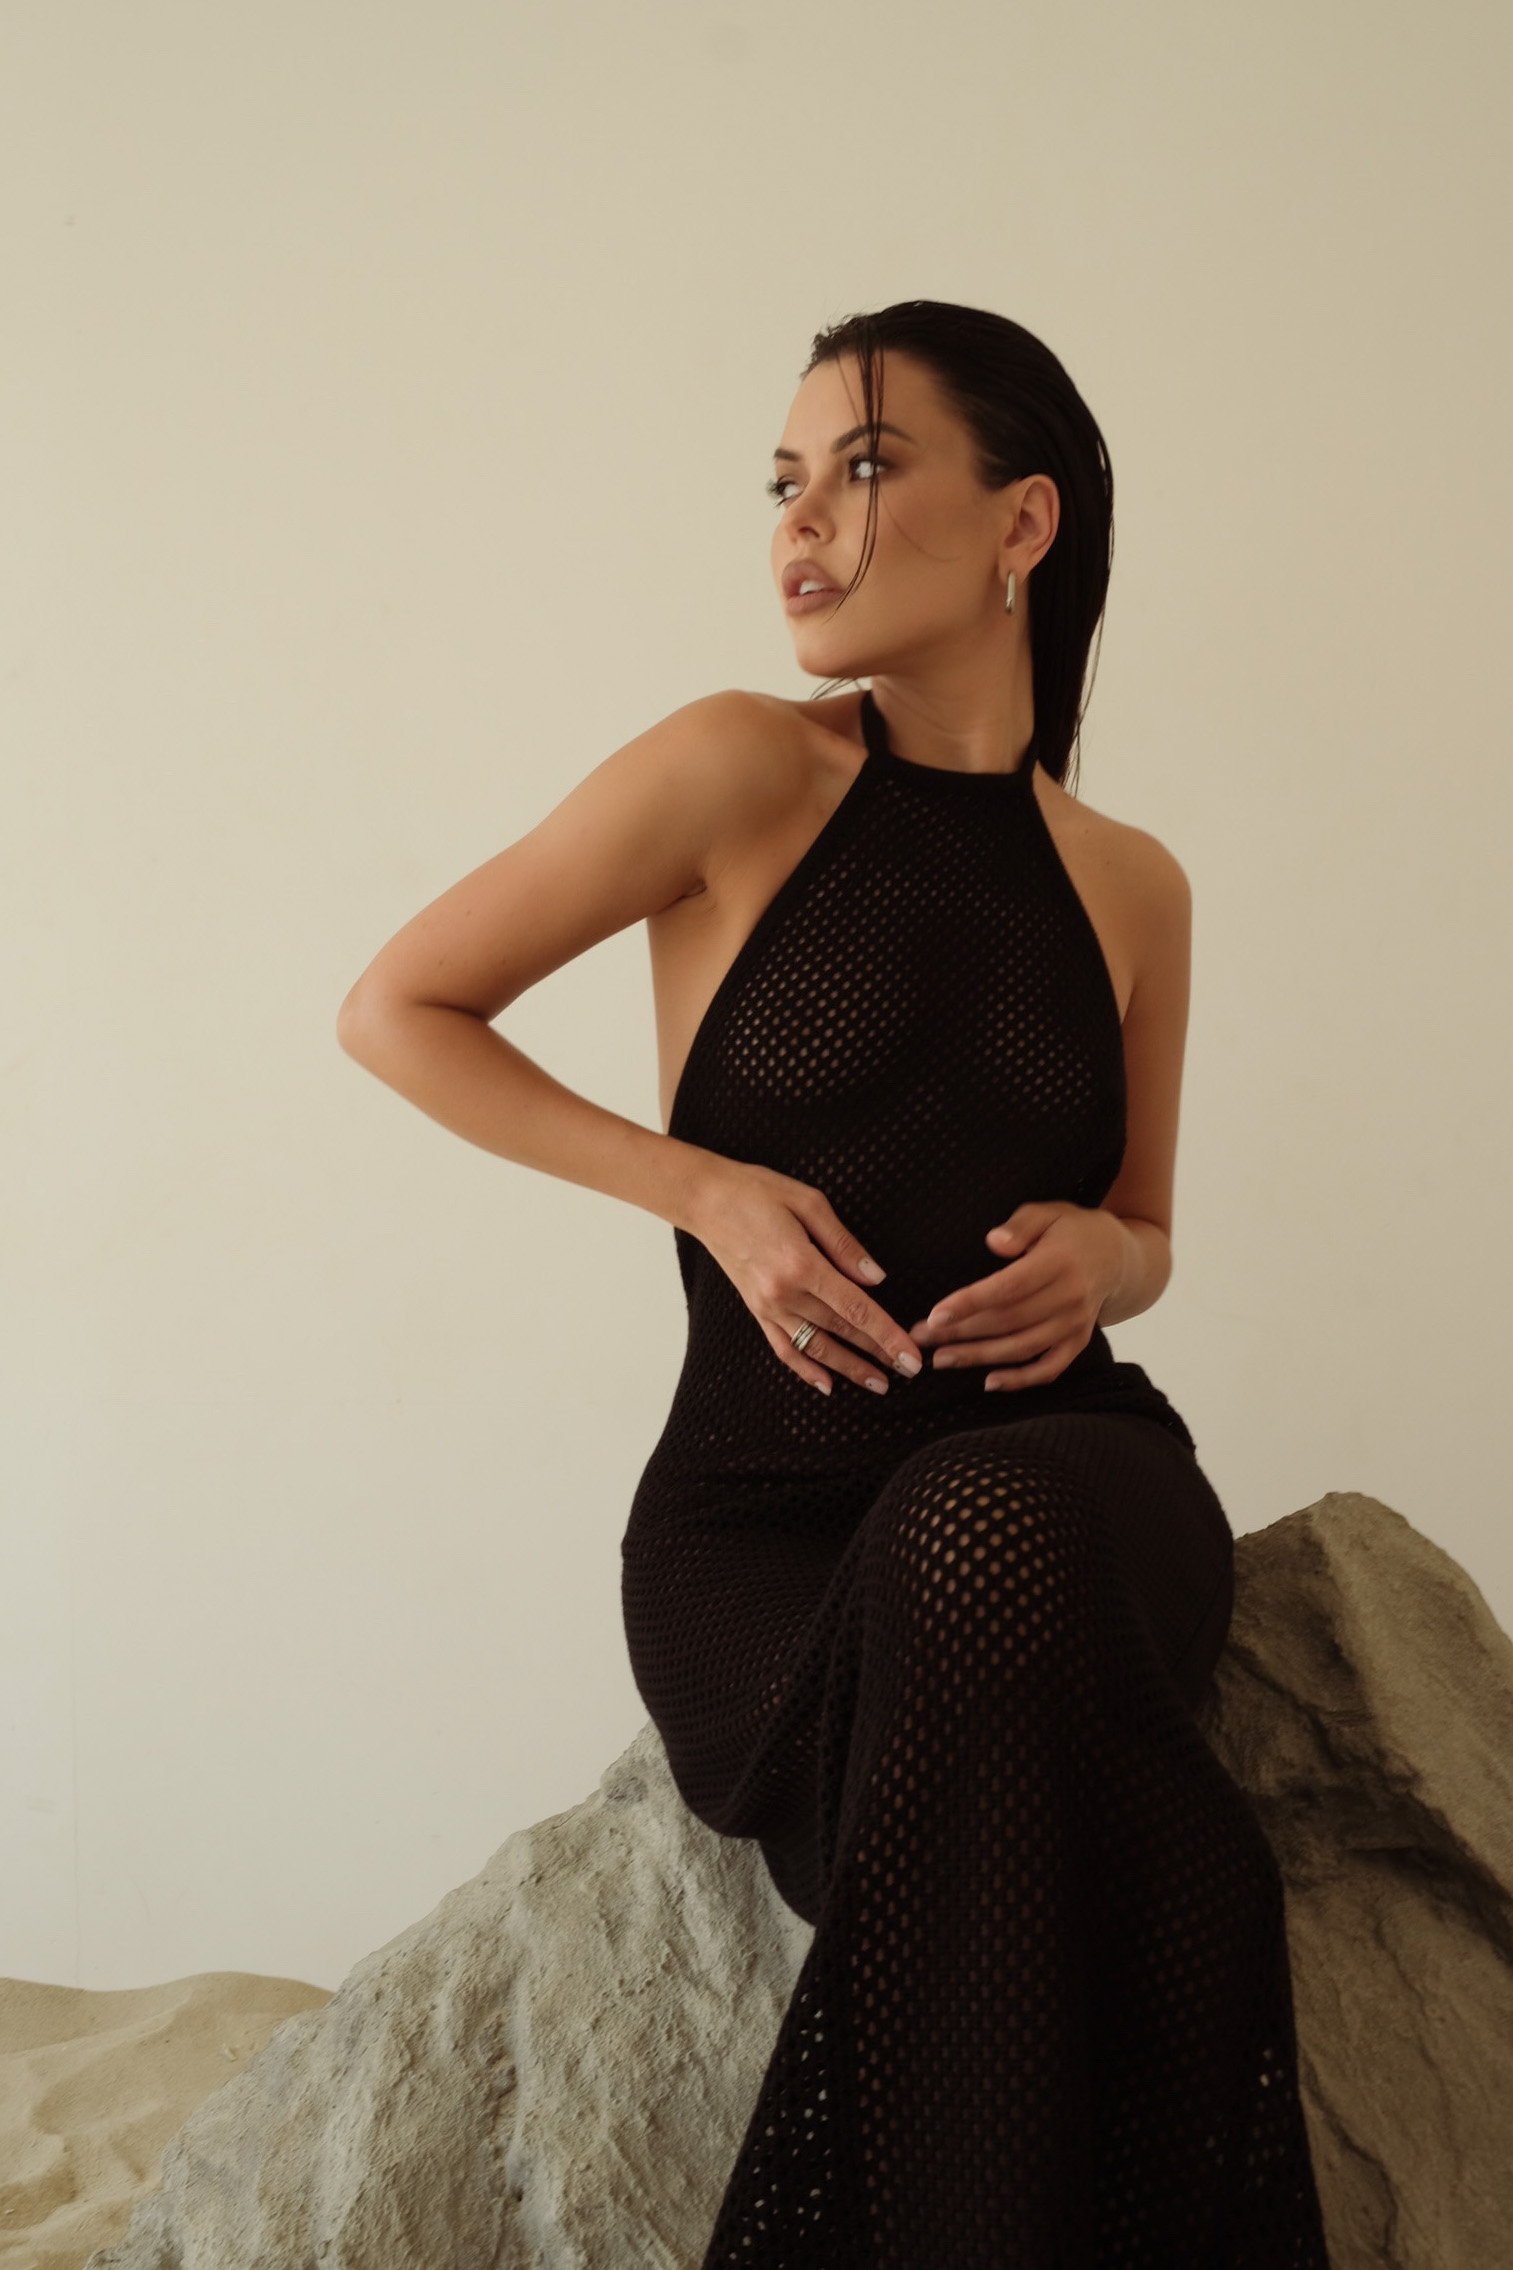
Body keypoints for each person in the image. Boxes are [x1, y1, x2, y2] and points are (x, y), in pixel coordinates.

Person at [337, 299, 1333, 2266]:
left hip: (1068, 1481)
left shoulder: (1131, 881)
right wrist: (699, 1188)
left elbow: (1146, 1225)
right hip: (767, 1536)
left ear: (1022, 522)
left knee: (984, 1528)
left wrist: (1105, 1255)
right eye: (784, 479)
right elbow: (398, 1008)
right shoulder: (736, 769)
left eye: (864, 467)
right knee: (1104, 1844)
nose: (801, 522)